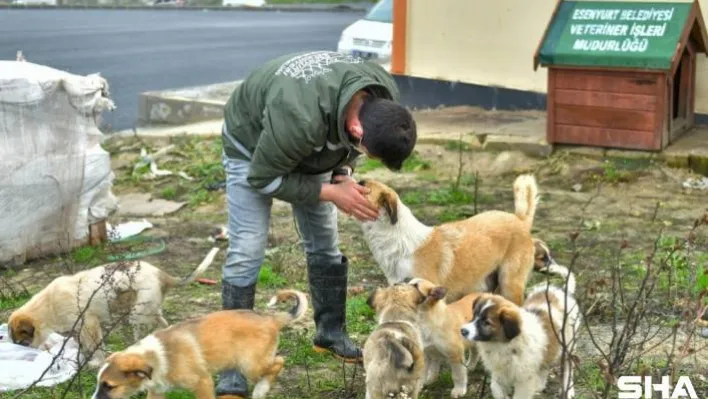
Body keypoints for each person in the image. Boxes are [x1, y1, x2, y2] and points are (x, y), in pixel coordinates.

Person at [216, 50, 417, 398]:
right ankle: (232, 364)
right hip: (253, 149)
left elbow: (352, 150)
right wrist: (330, 192)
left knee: (325, 242)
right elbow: (261, 178)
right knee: (247, 249)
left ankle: (330, 334)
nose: (363, 156)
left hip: (313, 138)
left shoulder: (383, 98)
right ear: (355, 128)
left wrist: (343, 174)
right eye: (367, 151)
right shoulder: (297, 116)